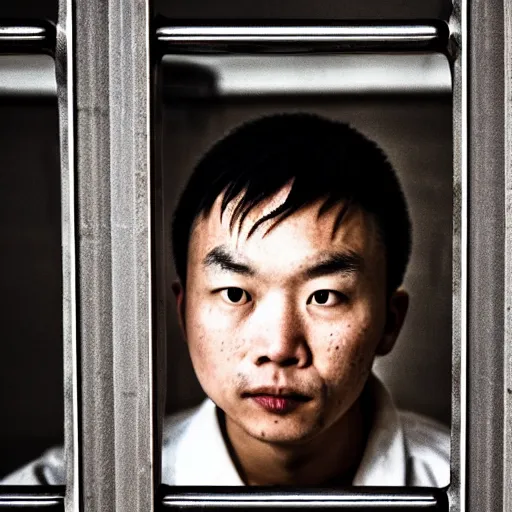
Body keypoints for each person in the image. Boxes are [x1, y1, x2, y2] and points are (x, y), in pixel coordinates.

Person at [2, 113, 449, 487]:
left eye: (324, 296)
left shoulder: (474, 489)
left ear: (390, 323)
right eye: (235, 293)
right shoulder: (61, 494)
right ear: (183, 311)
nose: (278, 348)